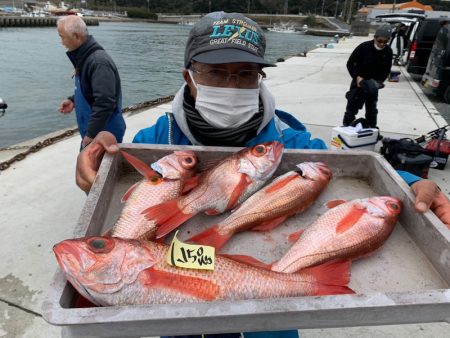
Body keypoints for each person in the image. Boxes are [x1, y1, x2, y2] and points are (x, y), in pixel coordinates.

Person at [75, 11, 450, 338]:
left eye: (245, 74)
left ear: (260, 78)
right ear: (188, 76)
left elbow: (348, 170)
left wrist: (412, 184)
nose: (231, 85)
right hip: (174, 289)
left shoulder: (291, 140)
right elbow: (124, 192)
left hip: (269, 314)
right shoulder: (157, 139)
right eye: (215, 73)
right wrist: (96, 164)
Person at [57, 15, 126, 149]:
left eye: (62, 37)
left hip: (103, 136)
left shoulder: (98, 62)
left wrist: (91, 135)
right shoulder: (84, 58)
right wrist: (73, 100)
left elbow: (105, 101)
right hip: (95, 133)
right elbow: (91, 90)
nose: (62, 42)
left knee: (92, 169)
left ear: (76, 36)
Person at [342, 24, 393, 128]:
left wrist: (379, 82)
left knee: (372, 110)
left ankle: (372, 129)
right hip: (359, 82)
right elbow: (350, 64)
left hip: (373, 84)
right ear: (374, 38)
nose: (382, 44)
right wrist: (356, 77)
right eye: (380, 41)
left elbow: (386, 70)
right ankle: (347, 127)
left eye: (385, 41)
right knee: (352, 108)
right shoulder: (363, 47)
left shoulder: (388, 51)